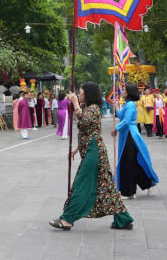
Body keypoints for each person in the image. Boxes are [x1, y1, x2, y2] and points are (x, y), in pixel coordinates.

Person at [49, 82, 133, 231]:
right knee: (106, 186)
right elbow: (90, 131)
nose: (78, 95)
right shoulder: (89, 108)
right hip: (91, 149)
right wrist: (77, 148)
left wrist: (75, 103)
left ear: (88, 94)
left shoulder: (93, 108)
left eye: (80, 92)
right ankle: (123, 218)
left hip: (94, 152)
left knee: (81, 183)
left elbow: (84, 122)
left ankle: (67, 219)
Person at [112, 83, 159, 199]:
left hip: (130, 135)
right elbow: (122, 116)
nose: (122, 91)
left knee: (127, 162)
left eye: (124, 90)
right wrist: (117, 107)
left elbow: (127, 120)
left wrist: (116, 128)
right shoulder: (128, 104)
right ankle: (147, 183)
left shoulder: (131, 104)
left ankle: (129, 192)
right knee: (133, 162)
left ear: (128, 92)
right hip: (127, 134)